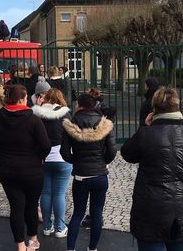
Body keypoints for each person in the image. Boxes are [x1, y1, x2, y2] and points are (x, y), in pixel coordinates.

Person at [122, 87, 183, 251]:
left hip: (151, 208)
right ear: (178, 106)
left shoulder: (146, 133)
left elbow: (127, 154)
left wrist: (144, 126)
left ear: (154, 109)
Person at [0, 84, 51, 251]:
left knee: (16, 206)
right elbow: (45, 146)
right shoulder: (34, 120)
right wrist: (38, 156)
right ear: (22, 99)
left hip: (7, 170)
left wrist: (0, 155)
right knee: (31, 205)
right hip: (32, 170)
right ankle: (33, 239)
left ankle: (20, 245)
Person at [61, 93, 117, 251]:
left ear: (79, 105)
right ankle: (92, 249)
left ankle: (70, 249)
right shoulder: (103, 124)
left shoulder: (71, 124)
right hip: (100, 175)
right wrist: (101, 162)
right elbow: (112, 151)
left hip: (81, 176)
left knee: (77, 213)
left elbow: (64, 153)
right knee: (97, 213)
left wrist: (76, 161)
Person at [31, 88, 72, 238]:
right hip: (62, 158)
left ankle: (47, 227)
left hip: (43, 158)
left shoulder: (37, 114)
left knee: (46, 193)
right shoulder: (65, 114)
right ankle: (60, 228)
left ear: (46, 98)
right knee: (59, 193)